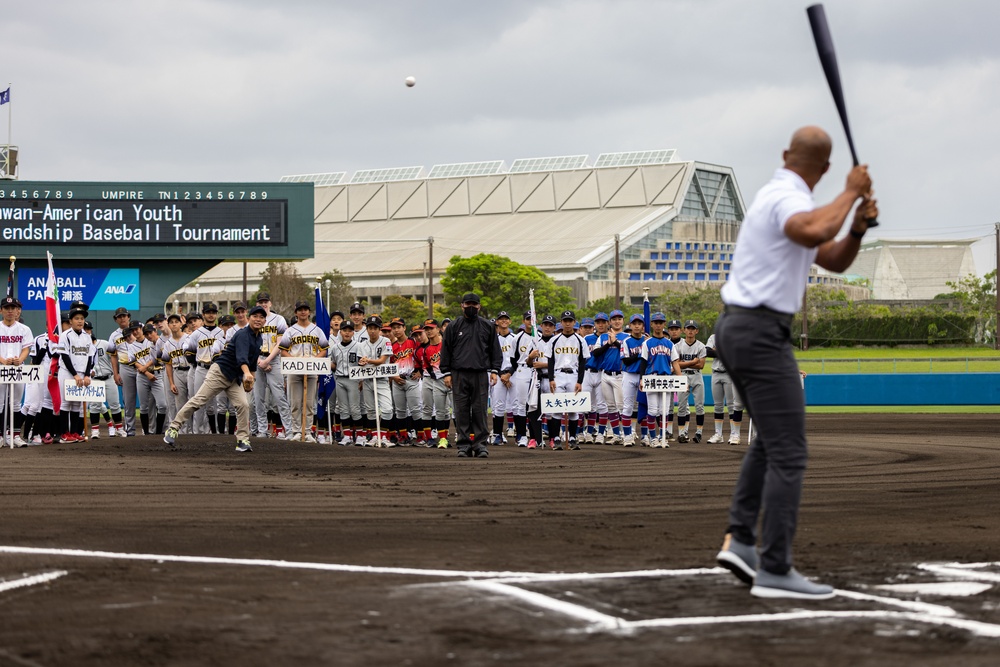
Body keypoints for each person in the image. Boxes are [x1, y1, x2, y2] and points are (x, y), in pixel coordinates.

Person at [714, 125, 876, 600]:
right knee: (790, 452)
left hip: (740, 329)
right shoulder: (786, 197)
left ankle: (741, 542)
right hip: (760, 332)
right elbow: (810, 229)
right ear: (825, 170)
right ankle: (775, 567)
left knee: (772, 443)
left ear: (787, 154)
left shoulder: (783, 195)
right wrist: (851, 191)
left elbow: (833, 256)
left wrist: (858, 227)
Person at [164, 305, 267, 452]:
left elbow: (252, 363)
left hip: (234, 378)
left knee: (243, 405)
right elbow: (242, 359)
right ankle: (173, 428)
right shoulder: (243, 334)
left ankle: (242, 440)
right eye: (255, 316)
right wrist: (247, 374)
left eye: (262, 317)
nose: (258, 319)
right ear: (249, 318)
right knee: (199, 400)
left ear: (265, 321)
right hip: (220, 372)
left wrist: (252, 378)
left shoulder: (258, 338)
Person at [440, 293, 501, 458]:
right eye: (468, 304)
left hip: (481, 373)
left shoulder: (487, 326)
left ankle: (481, 445)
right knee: (461, 411)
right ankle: (464, 445)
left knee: (480, 410)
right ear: (462, 305)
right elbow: (445, 350)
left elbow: (495, 350)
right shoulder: (454, 326)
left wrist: (495, 371)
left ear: (479, 306)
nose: (471, 307)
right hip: (458, 373)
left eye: (474, 304)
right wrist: (446, 372)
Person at [279, 300, 329, 442]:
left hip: (312, 370)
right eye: (300, 309)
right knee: (295, 403)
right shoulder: (290, 330)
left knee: (309, 403)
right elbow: (283, 350)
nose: (303, 312)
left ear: (309, 312)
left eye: (305, 309)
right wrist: (295, 362)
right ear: (296, 312)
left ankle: (307, 431)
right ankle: (296, 431)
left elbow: (324, 349)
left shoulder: (317, 330)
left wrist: (313, 361)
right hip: (294, 371)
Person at [639, 312, 682, 448]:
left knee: (664, 411)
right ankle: (653, 438)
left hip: (666, 378)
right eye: (655, 322)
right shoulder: (647, 343)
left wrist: (681, 380)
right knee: (652, 410)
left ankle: (662, 437)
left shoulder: (669, 344)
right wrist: (641, 379)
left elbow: (675, 363)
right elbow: (643, 363)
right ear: (651, 324)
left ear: (664, 324)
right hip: (651, 377)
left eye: (660, 322)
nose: (658, 325)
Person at [0, 295, 32, 446]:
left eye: (13, 308)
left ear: (17, 310)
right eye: (7, 308)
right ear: (1, 311)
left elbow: (26, 348)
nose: (10, 311)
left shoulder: (24, 328)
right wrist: (3, 361)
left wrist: (20, 359)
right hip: (1, 368)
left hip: (18, 369)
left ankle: (15, 435)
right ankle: (0, 435)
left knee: (16, 403)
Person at [706, 330, 743, 445]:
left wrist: (717, 351)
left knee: (732, 405)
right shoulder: (713, 337)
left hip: (729, 373)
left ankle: (734, 434)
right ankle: (718, 434)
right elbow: (708, 352)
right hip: (716, 373)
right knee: (718, 406)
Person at [675, 320, 707, 444]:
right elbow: (676, 364)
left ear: (696, 331)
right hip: (683, 376)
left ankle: (699, 433)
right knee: (682, 406)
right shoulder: (678, 345)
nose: (690, 331)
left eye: (693, 328)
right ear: (684, 330)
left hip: (697, 376)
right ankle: (682, 433)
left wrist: (684, 364)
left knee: (699, 406)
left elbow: (701, 366)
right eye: (688, 328)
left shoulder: (701, 346)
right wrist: (692, 362)